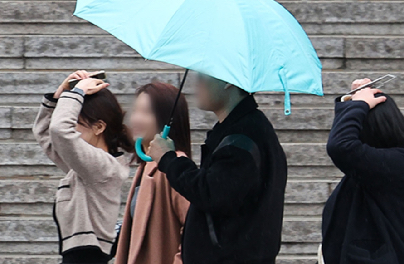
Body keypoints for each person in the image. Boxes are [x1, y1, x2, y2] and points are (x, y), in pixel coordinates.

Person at [148, 73, 288, 264]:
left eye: (203, 76)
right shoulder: (243, 129)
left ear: (229, 82)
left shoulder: (243, 137)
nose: (196, 83)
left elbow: (211, 193)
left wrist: (169, 160)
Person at [320, 78, 404, 264]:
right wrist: (351, 102)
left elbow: (340, 146)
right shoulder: (380, 166)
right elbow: (343, 145)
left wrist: (358, 106)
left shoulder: (400, 165)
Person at [32, 70, 134, 264]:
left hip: (88, 257)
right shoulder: (89, 166)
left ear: (98, 127)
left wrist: (76, 93)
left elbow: (60, 130)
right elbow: (46, 133)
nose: (71, 127)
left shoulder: (102, 166)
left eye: (75, 122)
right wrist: (59, 95)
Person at [116, 82, 191, 264]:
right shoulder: (147, 166)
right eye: (136, 111)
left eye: (146, 112)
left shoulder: (174, 165)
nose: (136, 119)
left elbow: (195, 231)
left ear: (167, 121)